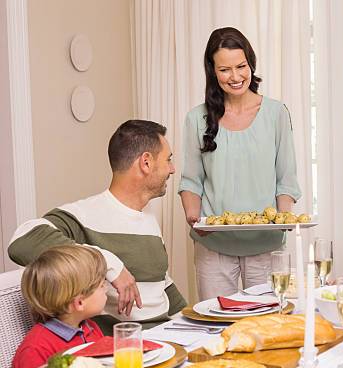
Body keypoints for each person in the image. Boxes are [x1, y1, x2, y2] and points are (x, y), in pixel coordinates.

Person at [8, 120, 187, 334]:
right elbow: (21, 241)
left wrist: (193, 324)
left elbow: (162, 282)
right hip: (123, 347)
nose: (173, 169)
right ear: (146, 162)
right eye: (168, 160)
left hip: (167, 337)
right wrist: (109, 263)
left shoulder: (148, 219)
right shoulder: (85, 215)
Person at [179, 27, 301, 300]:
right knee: (216, 324)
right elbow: (190, 179)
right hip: (213, 245)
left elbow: (286, 177)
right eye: (224, 70)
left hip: (266, 244)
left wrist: (282, 221)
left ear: (251, 63)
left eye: (241, 66)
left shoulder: (275, 113)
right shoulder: (196, 119)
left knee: (267, 323)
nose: (235, 77)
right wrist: (193, 217)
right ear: (212, 71)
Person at [13, 246, 107, 368]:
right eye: (102, 285)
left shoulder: (90, 327)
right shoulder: (35, 349)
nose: (106, 289)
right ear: (79, 303)